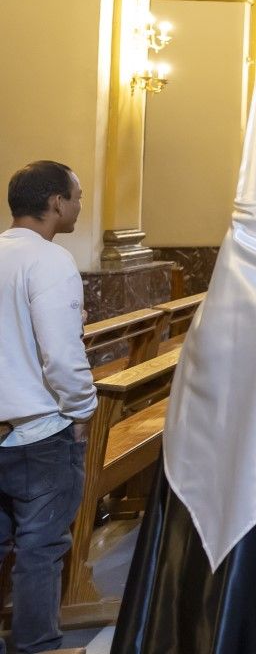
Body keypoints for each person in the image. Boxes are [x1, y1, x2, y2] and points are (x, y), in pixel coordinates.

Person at [0, 160, 92, 654]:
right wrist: (81, 411)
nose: (80, 204)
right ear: (56, 202)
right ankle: (36, 648)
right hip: (38, 432)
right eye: (76, 195)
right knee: (40, 547)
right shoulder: (50, 261)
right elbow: (61, 352)